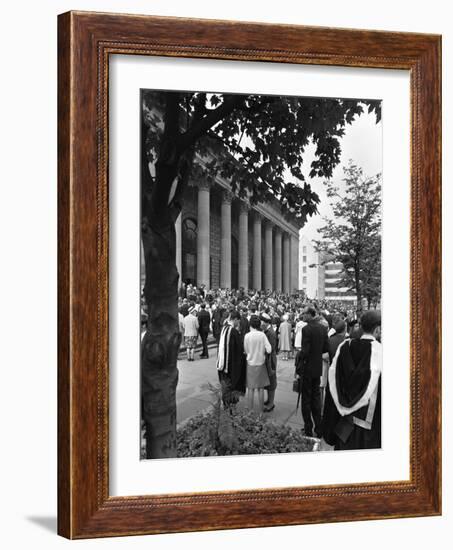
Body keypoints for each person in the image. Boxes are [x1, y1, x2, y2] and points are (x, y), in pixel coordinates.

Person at [321, 310, 382, 450]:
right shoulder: (381, 352)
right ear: (378, 329)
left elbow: (333, 386)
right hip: (369, 430)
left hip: (343, 427)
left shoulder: (344, 347)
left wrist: (329, 425)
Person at [295, 305, 329, 438]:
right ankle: (319, 429)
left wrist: (299, 356)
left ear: (310, 314)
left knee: (306, 400)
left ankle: (308, 428)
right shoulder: (322, 328)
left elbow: (305, 351)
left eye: (304, 314)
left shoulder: (306, 329)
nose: (303, 316)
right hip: (317, 368)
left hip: (307, 369)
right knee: (316, 399)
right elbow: (325, 348)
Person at [216, 310, 246, 407]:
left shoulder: (224, 328)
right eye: (238, 321)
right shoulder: (233, 332)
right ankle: (229, 407)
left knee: (225, 387)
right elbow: (238, 350)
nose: (238, 323)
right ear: (236, 319)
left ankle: (226, 404)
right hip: (231, 366)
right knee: (231, 387)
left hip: (222, 365)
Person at [243, 315, 271, 412]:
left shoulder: (247, 336)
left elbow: (246, 350)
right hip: (260, 363)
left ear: (250, 324)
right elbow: (269, 349)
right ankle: (260, 412)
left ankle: (250, 411)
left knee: (250, 389)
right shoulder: (262, 335)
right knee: (261, 388)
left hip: (250, 363)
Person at [261, 313, 278, 412]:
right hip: (268, 359)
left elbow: (270, 349)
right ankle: (269, 400)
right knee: (268, 382)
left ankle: (271, 404)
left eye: (262, 321)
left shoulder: (270, 333)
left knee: (271, 382)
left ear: (265, 322)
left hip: (270, 360)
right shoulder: (267, 331)